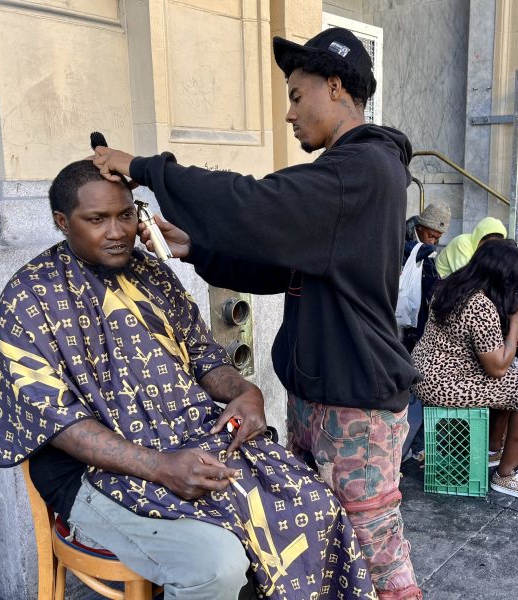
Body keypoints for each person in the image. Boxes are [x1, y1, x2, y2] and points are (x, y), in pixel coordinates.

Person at [91, 27, 421, 599]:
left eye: (296, 96)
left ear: (336, 87)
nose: (289, 115)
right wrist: (198, 249)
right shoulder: (349, 177)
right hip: (319, 394)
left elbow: (253, 203)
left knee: (375, 559)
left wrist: (145, 167)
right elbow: (279, 266)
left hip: (356, 403)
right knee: (319, 540)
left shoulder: (360, 169)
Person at [0, 161, 376, 599]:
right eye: (97, 220)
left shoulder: (152, 273)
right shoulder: (25, 300)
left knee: (315, 504)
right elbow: (59, 423)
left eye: (126, 215)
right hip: (89, 470)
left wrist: (247, 392)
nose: (117, 232)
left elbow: (206, 359)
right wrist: (160, 466)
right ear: (61, 222)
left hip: (187, 439)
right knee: (217, 566)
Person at [411, 239, 518, 501]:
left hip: (424, 372)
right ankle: (507, 475)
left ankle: (492, 451)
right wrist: (515, 320)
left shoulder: (450, 286)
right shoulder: (480, 306)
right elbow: (498, 368)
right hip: (447, 384)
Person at [400, 202, 451, 463]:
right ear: (420, 227)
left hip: (414, 319)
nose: (434, 241)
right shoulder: (405, 243)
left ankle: (413, 447)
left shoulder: (424, 249)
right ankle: (405, 447)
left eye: (438, 238)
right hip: (401, 322)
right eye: (431, 235)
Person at [434, 216, 506, 278]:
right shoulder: (462, 243)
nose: (490, 248)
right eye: (488, 244)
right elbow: (466, 277)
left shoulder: (489, 252)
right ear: (479, 238)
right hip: (441, 285)